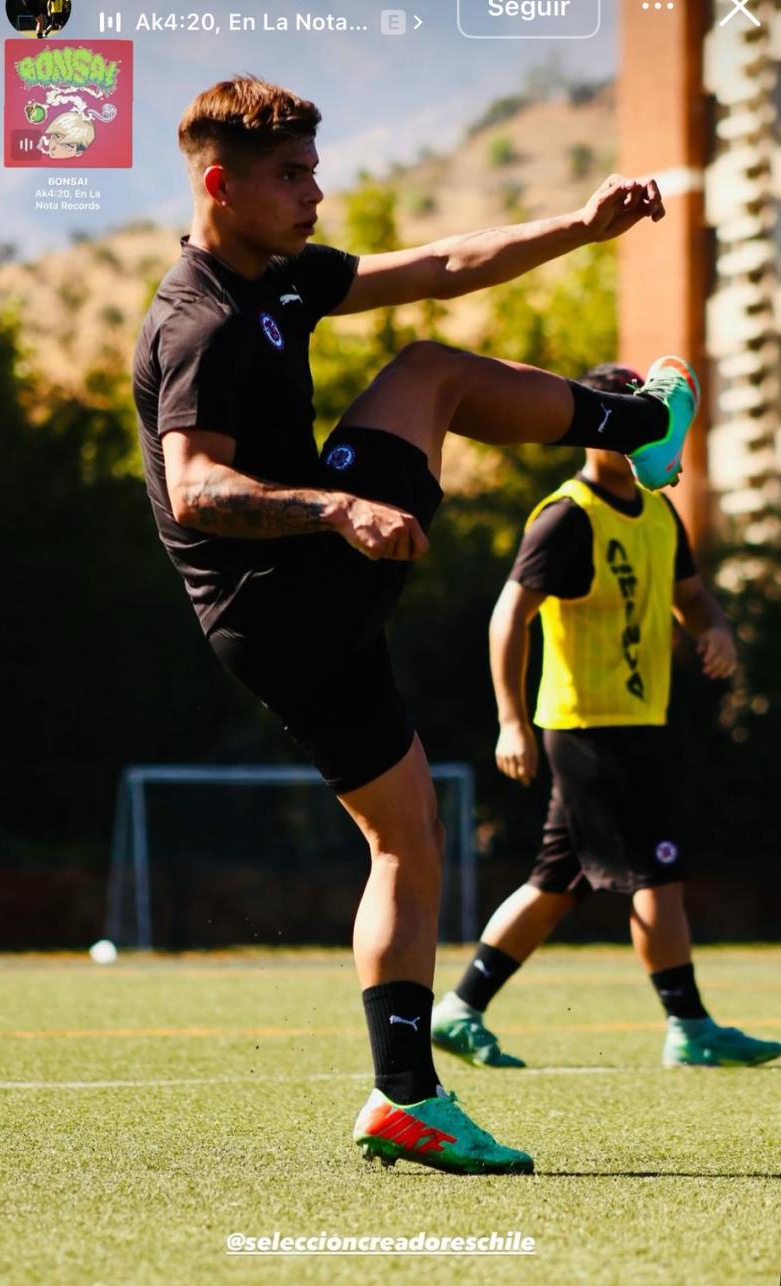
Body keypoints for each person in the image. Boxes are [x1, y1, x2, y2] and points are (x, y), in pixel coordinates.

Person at [132, 75, 699, 1175]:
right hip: (287, 585)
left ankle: (405, 1097)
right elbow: (196, 489)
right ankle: (636, 429)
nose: (316, 191)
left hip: (279, 618)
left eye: (312, 167)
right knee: (427, 373)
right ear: (219, 183)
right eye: (291, 175)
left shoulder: (279, 282)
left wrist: (580, 227)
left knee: (405, 841)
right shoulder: (199, 319)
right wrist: (336, 505)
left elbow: (441, 265)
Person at [432, 364, 781, 1072]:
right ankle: (689, 1025)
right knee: (659, 870)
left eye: (646, 417)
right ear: (590, 425)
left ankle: (460, 1009)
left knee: (556, 881)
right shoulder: (567, 516)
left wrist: (715, 630)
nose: (632, 431)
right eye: (618, 416)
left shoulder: (658, 510)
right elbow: (510, 616)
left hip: (637, 720)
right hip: (588, 725)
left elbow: (694, 597)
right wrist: (511, 720)